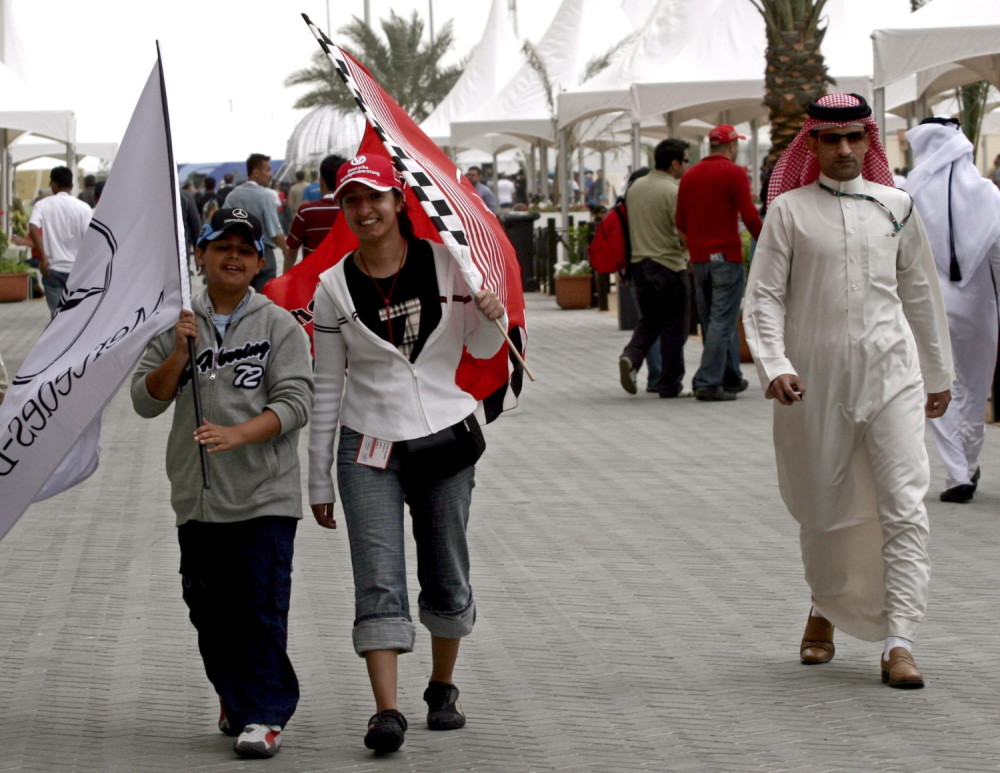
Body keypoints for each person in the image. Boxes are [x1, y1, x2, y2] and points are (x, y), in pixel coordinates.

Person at [743, 93, 954, 689]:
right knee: (826, 507)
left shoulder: (898, 206)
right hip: (812, 384)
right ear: (810, 143)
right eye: (830, 140)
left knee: (904, 503)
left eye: (855, 138)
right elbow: (763, 297)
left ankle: (900, 638)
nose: (843, 150)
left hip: (893, 376)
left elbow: (921, 295)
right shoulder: (788, 212)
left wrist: (938, 375)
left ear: (870, 142)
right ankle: (825, 604)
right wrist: (775, 364)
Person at [307, 154, 507, 754]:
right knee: (377, 577)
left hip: (444, 434)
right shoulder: (332, 287)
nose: (365, 209)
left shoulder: (449, 264)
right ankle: (386, 711)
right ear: (343, 210)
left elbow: (481, 344)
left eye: (375, 198)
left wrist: (492, 312)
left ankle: (442, 687)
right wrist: (318, 480)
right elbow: (325, 387)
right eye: (352, 201)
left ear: (398, 202)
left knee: (446, 567)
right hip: (367, 445)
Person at [130, 208, 313, 759]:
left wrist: (240, 435)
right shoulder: (176, 325)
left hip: (265, 496)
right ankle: (237, 695)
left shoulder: (278, 324)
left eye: (244, 249)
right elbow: (144, 400)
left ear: (259, 262)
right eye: (221, 247)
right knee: (208, 611)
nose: (232, 257)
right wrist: (180, 354)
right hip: (199, 501)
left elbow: (297, 403)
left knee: (258, 607)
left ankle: (264, 713)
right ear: (202, 257)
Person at [903, 117, 1000, 503]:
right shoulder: (989, 196)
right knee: (974, 388)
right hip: (979, 308)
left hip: (925, 305)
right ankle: (967, 463)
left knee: (936, 384)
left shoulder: (906, 195)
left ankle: (959, 470)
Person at [677, 124, 763, 402]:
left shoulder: (690, 176)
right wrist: (770, 243)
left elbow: (680, 221)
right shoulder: (734, 173)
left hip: (700, 259)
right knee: (723, 321)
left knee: (710, 320)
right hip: (727, 256)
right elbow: (749, 216)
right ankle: (707, 381)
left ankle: (730, 376)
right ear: (732, 146)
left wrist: (694, 249)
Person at [617, 140, 690, 398]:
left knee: (649, 321)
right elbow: (682, 229)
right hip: (669, 265)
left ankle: (631, 356)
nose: (686, 166)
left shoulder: (636, 186)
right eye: (686, 161)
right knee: (674, 326)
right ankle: (669, 383)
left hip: (639, 265)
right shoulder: (673, 190)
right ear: (674, 163)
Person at [28, 165, 93, 317]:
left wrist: (43, 258)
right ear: (71, 186)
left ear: (53, 184)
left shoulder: (42, 205)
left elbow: (33, 227)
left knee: (57, 316)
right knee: (75, 316)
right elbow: (90, 239)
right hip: (77, 270)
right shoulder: (84, 208)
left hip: (52, 269)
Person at [223, 153, 287, 291]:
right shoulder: (266, 196)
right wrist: (286, 250)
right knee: (263, 302)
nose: (271, 174)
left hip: (237, 254)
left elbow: (223, 226)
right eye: (268, 169)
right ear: (256, 172)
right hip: (263, 255)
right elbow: (275, 231)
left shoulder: (232, 195)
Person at [284, 154, 345, 272]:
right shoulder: (353, 211)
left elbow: (291, 252)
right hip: (345, 278)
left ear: (322, 183)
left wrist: (285, 281)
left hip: (313, 278)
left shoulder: (306, 211)